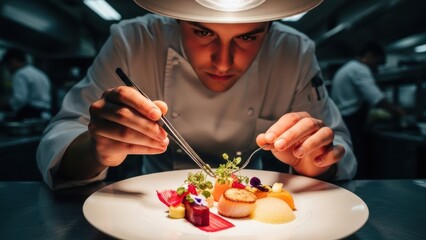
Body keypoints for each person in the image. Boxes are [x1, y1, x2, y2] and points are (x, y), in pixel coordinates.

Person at [37, 0, 357, 190]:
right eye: (203, 32)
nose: (222, 61)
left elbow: (335, 145)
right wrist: (95, 149)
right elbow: (60, 138)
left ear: (270, 27)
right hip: (155, 208)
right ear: (176, 19)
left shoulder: (294, 52)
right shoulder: (133, 41)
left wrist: (314, 161)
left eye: (248, 37)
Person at [331, 41, 404, 178]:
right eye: (377, 62)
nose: (375, 67)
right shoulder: (360, 69)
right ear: (370, 55)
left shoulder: (348, 67)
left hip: (344, 119)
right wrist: (398, 111)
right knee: (357, 162)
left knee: (348, 161)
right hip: (351, 122)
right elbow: (377, 98)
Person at [1, 48, 52, 120]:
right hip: (45, 115)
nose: (8, 69)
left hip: (30, 115)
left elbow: (20, 99)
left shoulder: (20, 74)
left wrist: (6, 105)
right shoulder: (39, 73)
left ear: (13, 61)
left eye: (8, 65)